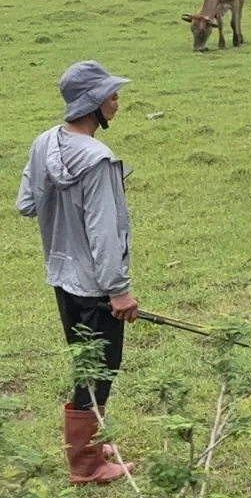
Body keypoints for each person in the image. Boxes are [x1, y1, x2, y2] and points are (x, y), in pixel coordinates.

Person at [16, 61, 138, 485]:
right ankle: (86, 465)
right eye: (111, 96)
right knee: (99, 370)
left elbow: (26, 204)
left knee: (85, 363)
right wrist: (118, 290)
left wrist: (61, 206)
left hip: (61, 277)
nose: (117, 101)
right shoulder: (98, 160)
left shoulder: (44, 142)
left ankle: (88, 446)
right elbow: (105, 231)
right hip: (97, 286)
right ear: (93, 104)